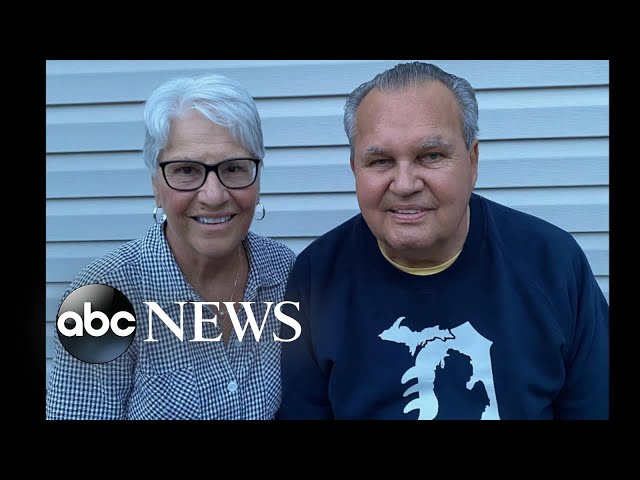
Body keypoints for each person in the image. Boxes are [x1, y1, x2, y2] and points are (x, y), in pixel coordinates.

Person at [277, 62, 608, 420]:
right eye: (381, 161)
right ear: (354, 168)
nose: (405, 185)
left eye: (431, 156)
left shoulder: (552, 264)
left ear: (472, 161)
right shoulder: (316, 276)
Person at [47, 73, 296, 419]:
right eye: (186, 170)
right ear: (156, 186)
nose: (213, 195)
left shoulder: (285, 273)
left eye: (234, 168)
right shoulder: (102, 298)